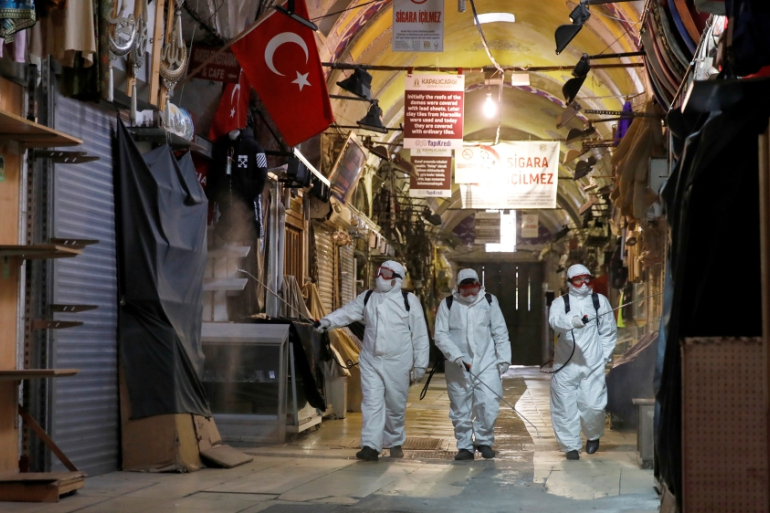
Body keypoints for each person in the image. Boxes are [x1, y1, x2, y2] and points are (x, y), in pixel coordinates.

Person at [316, 260, 430, 462]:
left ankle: (394, 440)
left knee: (395, 405)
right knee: (371, 403)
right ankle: (371, 445)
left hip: (398, 362)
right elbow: (347, 312)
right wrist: (326, 322)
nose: (380, 277)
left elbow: (420, 334)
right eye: (379, 272)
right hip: (371, 360)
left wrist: (420, 363)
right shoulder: (368, 297)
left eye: (386, 273)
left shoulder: (409, 301)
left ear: (396, 279)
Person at [433, 268, 511, 461]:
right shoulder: (448, 304)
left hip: (486, 362)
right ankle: (465, 446)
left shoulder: (489, 302)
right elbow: (440, 334)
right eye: (465, 290)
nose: (470, 294)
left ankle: (484, 441)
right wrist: (455, 355)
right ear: (458, 288)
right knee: (460, 407)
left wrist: (503, 358)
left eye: (473, 289)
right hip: (458, 366)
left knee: (489, 402)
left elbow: (500, 331)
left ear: (479, 286)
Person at [548, 264, 617, 460]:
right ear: (570, 282)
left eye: (587, 279)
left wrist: (602, 357)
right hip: (565, 364)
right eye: (578, 280)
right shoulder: (560, 303)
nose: (583, 284)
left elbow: (608, 332)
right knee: (564, 407)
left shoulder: (599, 301)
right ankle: (570, 446)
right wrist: (572, 321)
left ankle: (593, 435)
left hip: (592, 364)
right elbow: (555, 322)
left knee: (593, 405)